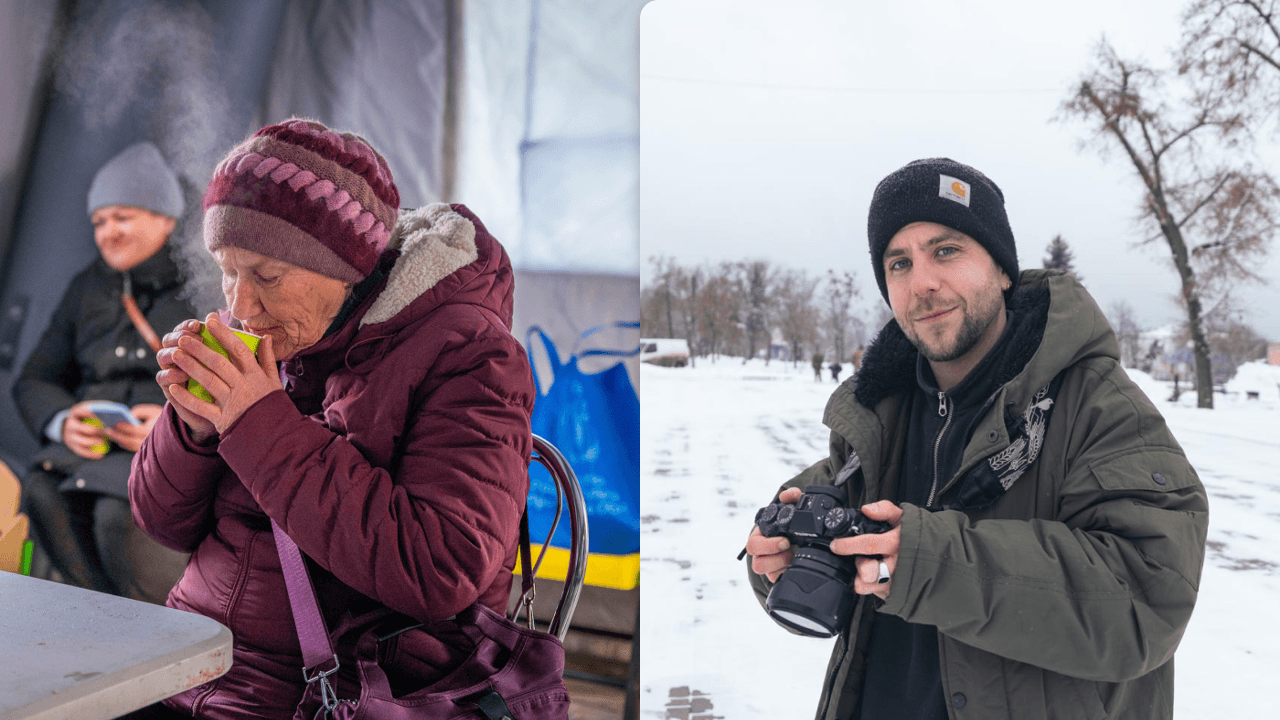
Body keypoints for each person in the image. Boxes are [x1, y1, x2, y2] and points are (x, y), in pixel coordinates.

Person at [744, 158, 1207, 720]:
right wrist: (779, 560)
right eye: (898, 263)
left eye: (946, 251)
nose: (923, 284)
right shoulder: (877, 419)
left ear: (1003, 269)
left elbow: (1147, 598)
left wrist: (930, 561)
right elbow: (818, 537)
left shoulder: (1099, 405)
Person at [128, 119, 535, 719]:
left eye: (266, 275)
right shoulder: (271, 333)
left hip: (340, 696)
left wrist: (255, 421)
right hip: (189, 664)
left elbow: (440, 567)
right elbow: (160, 524)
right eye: (229, 270)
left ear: (346, 265)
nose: (240, 304)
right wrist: (191, 430)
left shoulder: (471, 353)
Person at [13, 141, 191, 603]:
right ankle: (100, 624)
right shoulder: (86, 287)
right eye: (99, 221)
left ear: (165, 219)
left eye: (123, 217)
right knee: (41, 489)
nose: (107, 232)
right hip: (88, 455)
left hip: (162, 460)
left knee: (119, 515)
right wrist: (64, 421)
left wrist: (174, 423)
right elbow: (35, 378)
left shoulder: (204, 282)